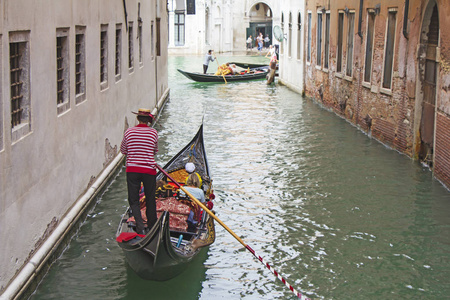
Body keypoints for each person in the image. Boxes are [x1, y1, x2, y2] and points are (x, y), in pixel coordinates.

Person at [120, 108, 158, 235]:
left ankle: (140, 227)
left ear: (137, 119)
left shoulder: (129, 132)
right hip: (149, 169)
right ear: (148, 120)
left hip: (132, 170)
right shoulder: (153, 133)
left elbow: (123, 150)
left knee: (134, 200)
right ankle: (152, 227)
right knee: (150, 198)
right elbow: (154, 151)